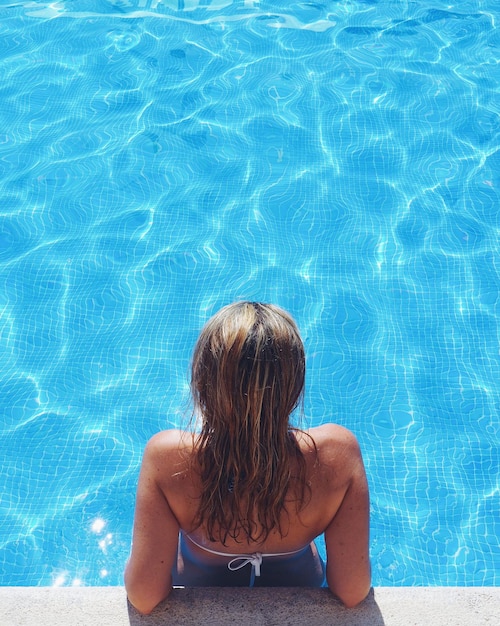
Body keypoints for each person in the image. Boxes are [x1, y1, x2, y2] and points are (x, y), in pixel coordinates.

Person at [124, 302, 371, 614]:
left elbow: (145, 596)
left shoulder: (170, 459)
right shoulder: (336, 455)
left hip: (199, 589)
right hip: (301, 586)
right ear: (293, 387)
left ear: (202, 383)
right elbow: (352, 591)